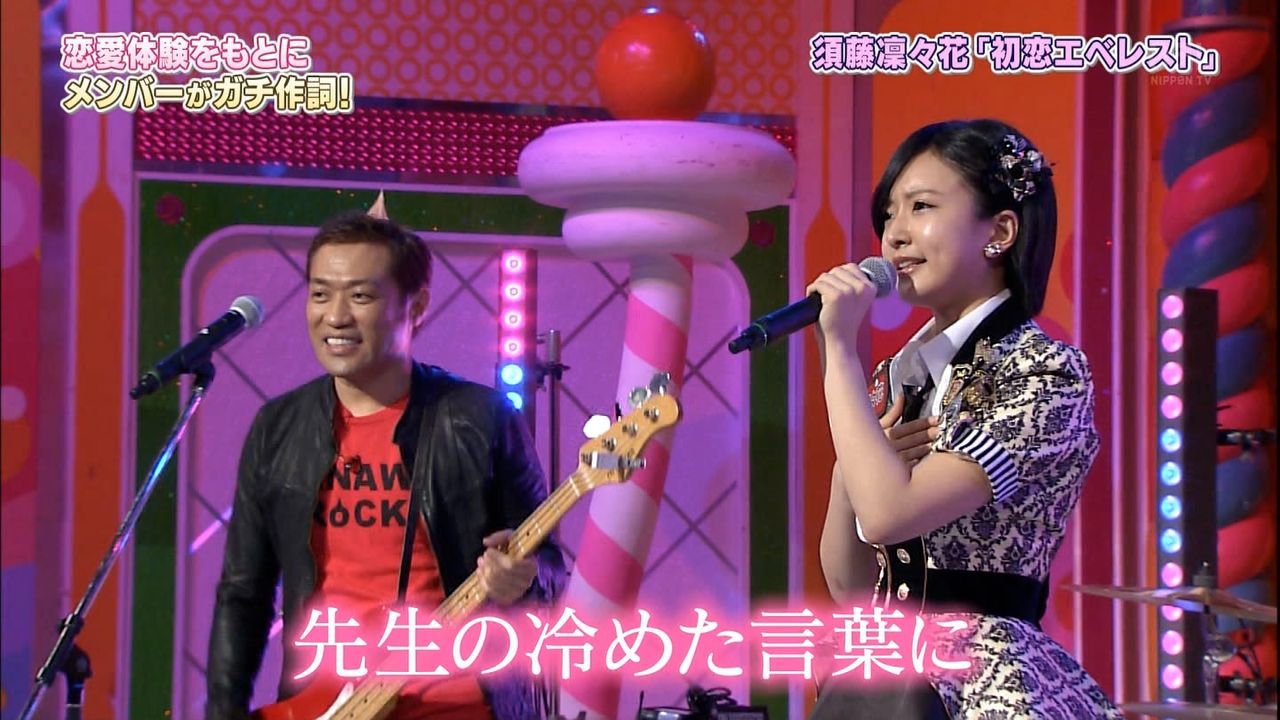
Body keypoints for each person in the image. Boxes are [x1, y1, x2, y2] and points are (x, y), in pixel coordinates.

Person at [809, 119, 1122, 718]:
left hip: (985, 678)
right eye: (888, 214)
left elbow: (890, 514)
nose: (895, 234)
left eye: (921, 206)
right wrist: (848, 472)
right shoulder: (894, 377)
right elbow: (853, 587)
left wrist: (840, 352)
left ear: (999, 232)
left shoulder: (1042, 372)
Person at [205, 210, 567, 720]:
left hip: (454, 707)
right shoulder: (278, 427)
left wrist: (523, 579)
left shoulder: (480, 419)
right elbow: (243, 593)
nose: (335, 316)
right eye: (320, 294)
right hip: (323, 706)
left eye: (360, 296)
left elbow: (551, 567)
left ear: (415, 307)